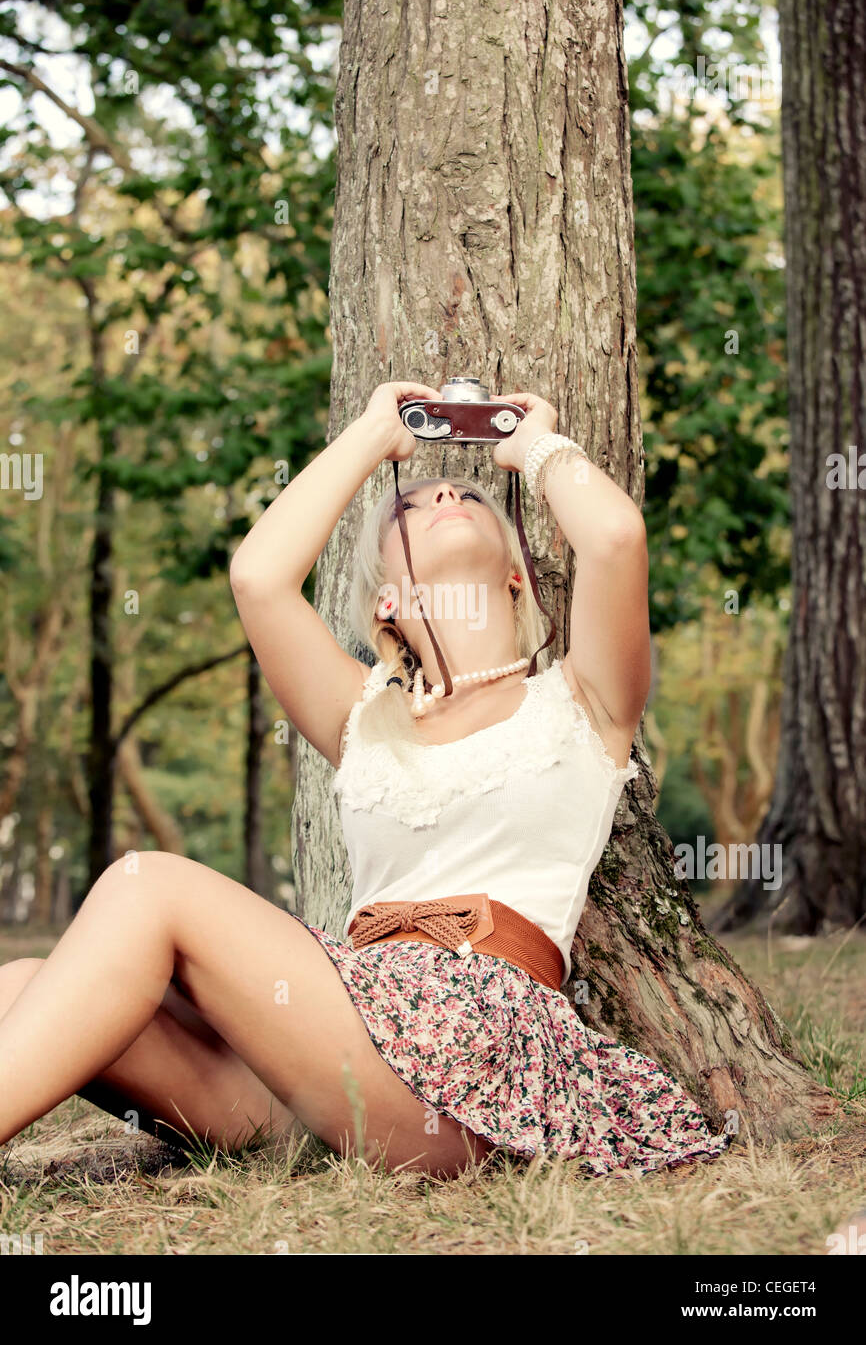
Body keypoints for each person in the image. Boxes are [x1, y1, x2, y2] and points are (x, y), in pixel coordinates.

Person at [0, 381, 732, 1182]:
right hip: (323, 1066)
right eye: (411, 507)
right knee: (20, 984)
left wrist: (535, 446)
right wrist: (371, 433)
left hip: (466, 1064)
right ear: (388, 601)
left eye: (468, 498)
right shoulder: (362, 715)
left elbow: (618, 537)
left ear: (520, 575)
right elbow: (258, 578)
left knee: (148, 885)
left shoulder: (583, 700)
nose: (447, 492)